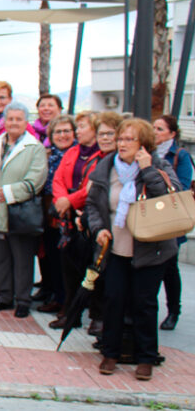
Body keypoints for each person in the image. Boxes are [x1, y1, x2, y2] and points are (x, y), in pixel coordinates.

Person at [86, 118, 180, 382]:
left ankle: (147, 357)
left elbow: (168, 198)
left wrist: (147, 169)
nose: (122, 144)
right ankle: (111, 352)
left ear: (144, 144)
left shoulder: (157, 166)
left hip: (151, 249)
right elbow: (93, 204)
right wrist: (98, 229)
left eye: (130, 139)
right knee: (114, 300)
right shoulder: (106, 167)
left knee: (145, 304)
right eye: (120, 139)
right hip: (115, 247)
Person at [0, 101, 48, 318]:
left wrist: (7, 192)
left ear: (26, 122)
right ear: (4, 121)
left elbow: (36, 180)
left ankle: (23, 300)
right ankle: (4, 296)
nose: (14, 123)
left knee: (22, 258)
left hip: (20, 211)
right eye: (10, 119)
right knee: (0, 257)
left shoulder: (35, 148)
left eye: (18, 119)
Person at [49, 111, 118, 332]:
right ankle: (71, 314)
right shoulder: (73, 152)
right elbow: (58, 178)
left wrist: (69, 200)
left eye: (82, 127)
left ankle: (97, 316)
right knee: (70, 271)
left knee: (95, 271)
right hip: (70, 219)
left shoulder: (102, 157)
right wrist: (61, 200)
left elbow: (91, 189)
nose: (77, 131)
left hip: (91, 219)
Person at [153, 114, 193, 331]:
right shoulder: (146, 153)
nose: (155, 132)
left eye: (160, 129)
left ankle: (173, 311)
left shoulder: (180, 155)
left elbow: (183, 186)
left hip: (170, 221)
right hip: (148, 219)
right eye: (154, 128)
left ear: (172, 133)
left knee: (170, 267)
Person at [35, 114, 75, 315]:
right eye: (58, 132)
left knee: (67, 259)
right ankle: (56, 296)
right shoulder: (48, 154)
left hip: (69, 210)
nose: (62, 135)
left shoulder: (77, 154)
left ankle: (67, 303)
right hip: (48, 210)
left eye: (67, 131)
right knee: (51, 255)